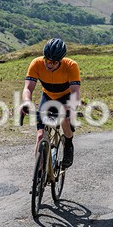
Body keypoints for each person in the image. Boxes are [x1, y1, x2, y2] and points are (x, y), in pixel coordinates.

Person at [21, 38, 80, 168]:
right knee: (41, 135)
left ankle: (68, 143)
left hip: (65, 97)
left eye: (54, 62)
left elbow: (75, 92)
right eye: (48, 60)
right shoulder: (36, 64)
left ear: (61, 60)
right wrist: (26, 103)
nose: (50, 65)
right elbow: (28, 88)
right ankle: (39, 174)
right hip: (47, 96)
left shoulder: (71, 66)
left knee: (65, 119)